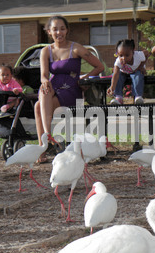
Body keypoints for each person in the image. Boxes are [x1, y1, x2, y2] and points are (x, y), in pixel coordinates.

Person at [35, 15, 104, 162]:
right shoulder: (45, 51)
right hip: (53, 87)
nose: (58, 33)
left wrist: (83, 78)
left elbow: (100, 66)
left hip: (71, 89)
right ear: (49, 31)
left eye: (62, 29)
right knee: (43, 89)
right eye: (55, 29)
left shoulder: (76, 48)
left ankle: (44, 147)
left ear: (67, 30)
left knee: (38, 106)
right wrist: (45, 81)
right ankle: (48, 135)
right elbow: (43, 75)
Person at [107, 39, 149, 105]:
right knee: (118, 77)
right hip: (123, 72)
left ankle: (138, 96)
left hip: (136, 71)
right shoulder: (118, 61)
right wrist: (112, 87)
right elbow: (115, 74)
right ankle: (118, 97)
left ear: (133, 52)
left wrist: (141, 66)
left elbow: (147, 53)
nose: (123, 58)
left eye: (127, 55)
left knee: (138, 76)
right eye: (121, 55)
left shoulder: (138, 55)